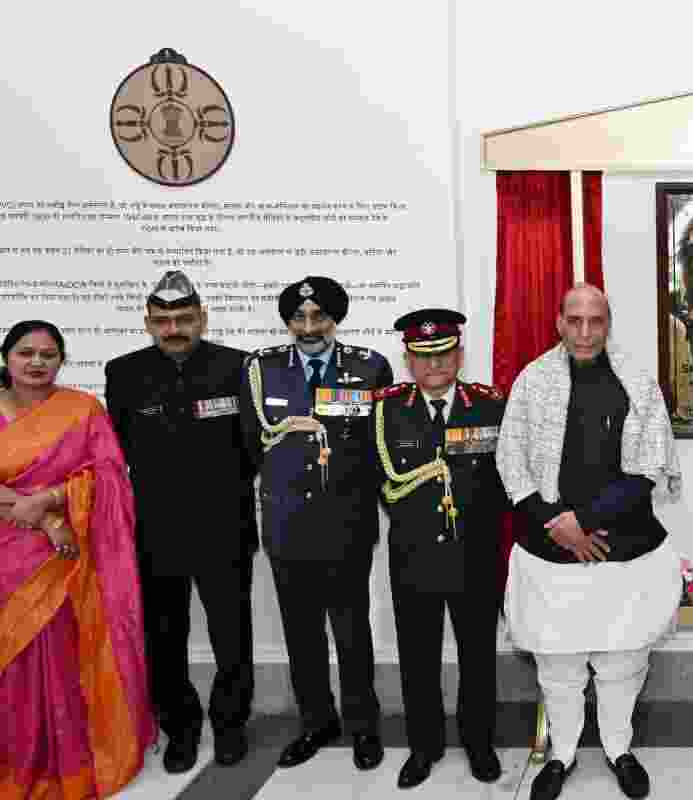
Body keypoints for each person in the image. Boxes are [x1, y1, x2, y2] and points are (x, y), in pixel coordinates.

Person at [497, 284, 682, 800]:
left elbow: (647, 467)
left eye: (594, 321)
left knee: (622, 660)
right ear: (558, 321)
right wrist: (557, 522)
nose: (584, 332)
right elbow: (510, 461)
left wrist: (583, 520)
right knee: (559, 664)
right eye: (574, 320)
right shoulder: (532, 381)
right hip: (549, 546)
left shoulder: (637, 382)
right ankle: (560, 755)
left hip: (624, 548)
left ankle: (620, 749)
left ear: (608, 323)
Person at [104, 271, 258, 771]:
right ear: (148, 321)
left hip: (225, 527)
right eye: (164, 319)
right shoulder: (124, 372)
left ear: (202, 318)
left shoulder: (237, 366)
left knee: (232, 635)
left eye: (184, 318)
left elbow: (252, 448)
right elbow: (119, 452)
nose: (174, 328)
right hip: (155, 532)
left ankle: (231, 724)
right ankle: (181, 729)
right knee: (164, 638)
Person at [240, 276, 393, 772]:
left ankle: (363, 726)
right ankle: (316, 722)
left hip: (346, 524)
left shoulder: (369, 367)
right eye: (299, 318)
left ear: (335, 320)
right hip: (287, 527)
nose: (309, 327)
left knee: (352, 633)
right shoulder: (261, 370)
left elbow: (379, 447)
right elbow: (248, 444)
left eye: (319, 317)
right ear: (287, 322)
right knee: (301, 634)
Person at [0, 320, 155, 798]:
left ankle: (65, 753)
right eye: (26, 352)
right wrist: (41, 516)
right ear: (7, 357)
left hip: (67, 551)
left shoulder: (82, 410)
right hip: (9, 547)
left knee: (61, 653)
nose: (37, 362)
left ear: (62, 361)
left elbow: (108, 478)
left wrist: (49, 501)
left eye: (48, 354)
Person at [374, 309, 509, 789]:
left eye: (444, 354)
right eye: (423, 357)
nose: (435, 365)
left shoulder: (491, 404)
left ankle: (479, 745)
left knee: (478, 657)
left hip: (476, 554)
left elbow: (507, 479)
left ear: (459, 355)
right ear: (408, 360)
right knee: (417, 657)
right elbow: (379, 481)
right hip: (414, 556)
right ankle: (423, 748)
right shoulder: (386, 409)